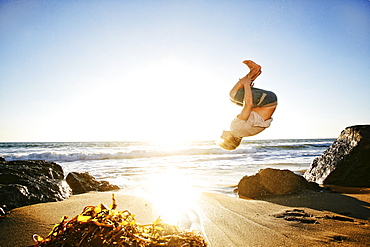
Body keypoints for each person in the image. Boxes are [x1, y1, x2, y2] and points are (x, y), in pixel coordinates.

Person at [218, 60, 278, 150]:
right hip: (266, 100)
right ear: (230, 139)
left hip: (271, 101)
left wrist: (248, 89)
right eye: (222, 138)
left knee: (234, 100)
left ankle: (255, 72)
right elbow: (248, 105)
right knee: (233, 95)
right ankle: (254, 71)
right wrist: (246, 85)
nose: (221, 136)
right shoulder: (235, 128)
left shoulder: (243, 133)